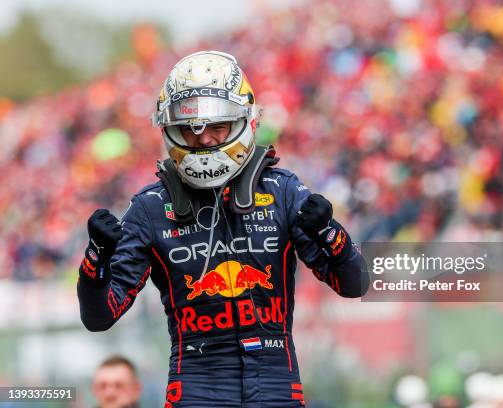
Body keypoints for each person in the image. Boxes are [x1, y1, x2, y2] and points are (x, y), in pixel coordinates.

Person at [77, 50, 369, 407]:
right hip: (196, 385)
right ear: (170, 130)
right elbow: (99, 317)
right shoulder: (150, 207)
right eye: (190, 129)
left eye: (217, 126)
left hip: (276, 384)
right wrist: (96, 260)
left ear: (245, 122)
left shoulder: (283, 191)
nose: (205, 141)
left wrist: (330, 234)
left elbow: (355, 284)